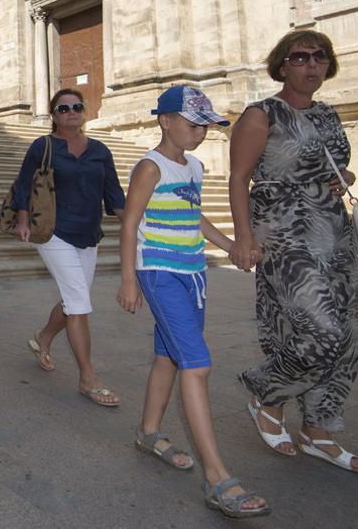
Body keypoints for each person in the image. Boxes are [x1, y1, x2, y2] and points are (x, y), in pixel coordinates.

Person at [116, 86, 270, 519]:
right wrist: (129, 279)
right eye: (192, 122)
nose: (200, 131)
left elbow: (194, 215)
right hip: (160, 272)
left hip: (192, 273)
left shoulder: (196, 167)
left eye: (206, 124)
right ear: (165, 120)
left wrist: (231, 246)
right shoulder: (150, 167)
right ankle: (218, 476)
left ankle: (148, 432)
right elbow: (130, 224)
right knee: (196, 364)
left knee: (169, 356)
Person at [228, 30, 358, 473]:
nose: (311, 65)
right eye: (300, 57)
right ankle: (265, 393)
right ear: (282, 65)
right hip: (284, 234)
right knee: (320, 331)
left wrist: (343, 175)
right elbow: (238, 179)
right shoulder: (260, 114)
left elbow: (331, 164)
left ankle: (319, 429)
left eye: (320, 57)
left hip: (333, 231)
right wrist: (243, 237)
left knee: (350, 333)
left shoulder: (329, 116)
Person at [12, 88, 125, 407]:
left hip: (88, 234)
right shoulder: (43, 146)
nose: (71, 112)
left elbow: (114, 195)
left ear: (84, 111)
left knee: (74, 299)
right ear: (54, 115)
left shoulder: (101, 150)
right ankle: (88, 377)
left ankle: (43, 337)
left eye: (77, 106)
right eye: (63, 109)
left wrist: (137, 222)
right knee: (78, 303)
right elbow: (23, 184)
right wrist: (23, 219)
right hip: (52, 232)